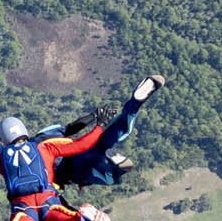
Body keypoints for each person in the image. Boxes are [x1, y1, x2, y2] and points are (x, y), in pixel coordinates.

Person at [36, 75, 165, 189]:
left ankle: (115, 170)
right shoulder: (40, 137)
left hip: (73, 171)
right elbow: (70, 128)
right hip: (80, 149)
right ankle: (135, 104)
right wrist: (95, 116)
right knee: (111, 136)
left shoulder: (24, 166)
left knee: (111, 178)